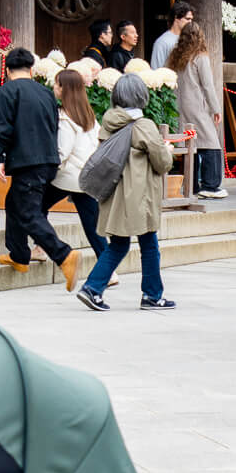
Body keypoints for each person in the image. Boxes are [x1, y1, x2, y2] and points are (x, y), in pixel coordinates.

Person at [75, 72, 176, 312]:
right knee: (149, 245)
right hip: (139, 197)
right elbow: (162, 163)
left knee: (118, 245)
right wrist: (168, 150)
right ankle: (151, 295)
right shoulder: (144, 126)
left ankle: (93, 287)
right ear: (142, 96)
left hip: (114, 196)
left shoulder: (108, 124)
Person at [0, 47, 81, 292]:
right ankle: (19, 255)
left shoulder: (5, 93)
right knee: (14, 203)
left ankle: (63, 255)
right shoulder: (45, 93)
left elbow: (2, 128)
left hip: (27, 161)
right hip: (48, 160)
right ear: (31, 69)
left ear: (7, 71)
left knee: (28, 213)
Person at [41, 66, 117, 286]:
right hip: (86, 177)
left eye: (57, 84)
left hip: (67, 177)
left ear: (64, 89)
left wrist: (48, 169)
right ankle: (109, 270)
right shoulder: (88, 115)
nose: (54, 87)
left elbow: (62, 154)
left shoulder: (65, 119)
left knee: (35, 208)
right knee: (92, 226)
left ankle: (42, 246)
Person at [172, 21, 225, 197]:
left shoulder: (175, 56)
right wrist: (216, 108)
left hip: (181, 106)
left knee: (190, 146)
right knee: (211, 144)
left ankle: (192, 185)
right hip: (198, 106)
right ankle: (210, 186)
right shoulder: (199, 57)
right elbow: (208, 86)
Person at [150, 0, 193, 71]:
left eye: (191, 19)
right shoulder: (162, 42)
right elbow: (156, 71)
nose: (190, 22)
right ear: (176, 18)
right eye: (187, 19)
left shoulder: (191, 38)